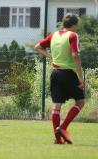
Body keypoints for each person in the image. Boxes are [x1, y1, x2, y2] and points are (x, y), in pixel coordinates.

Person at [34, 13, 85, 144]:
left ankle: (57, 139)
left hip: (55, 73)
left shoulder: (54, 35)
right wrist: (80, 78)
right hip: (69, 73)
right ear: (74, 25)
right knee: (80, 102)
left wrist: (50, 57)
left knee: (57, 106)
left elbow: (37, 47)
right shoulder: (73, 35)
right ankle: (62, 128)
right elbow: (75, 56)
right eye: (77, 25)